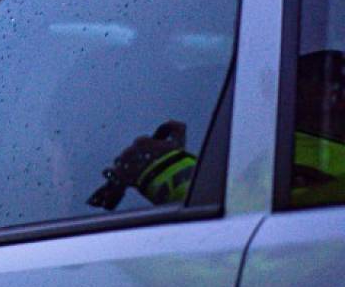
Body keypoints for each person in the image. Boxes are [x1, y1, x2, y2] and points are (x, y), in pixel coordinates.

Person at [97, 50, 345, 209]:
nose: (267, 93)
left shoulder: (309, 167)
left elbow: (247, 235)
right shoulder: (279, 156)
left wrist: (163, 169)